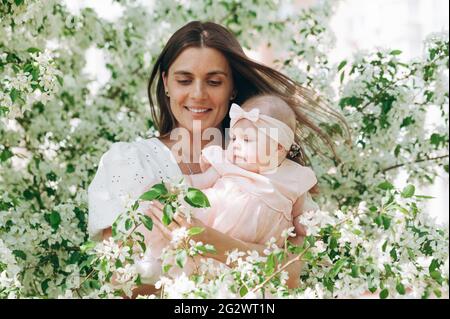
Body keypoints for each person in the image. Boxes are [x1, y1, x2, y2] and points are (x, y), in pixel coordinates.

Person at [87, 21, 350, 295]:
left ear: (232, 88)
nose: (198, 94)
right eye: (184, 80)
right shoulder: (129, 163)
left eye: (214, 82)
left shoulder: (267, 160)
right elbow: (120, 282)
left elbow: (293, 273)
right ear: (166, 83)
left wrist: (208, 239)